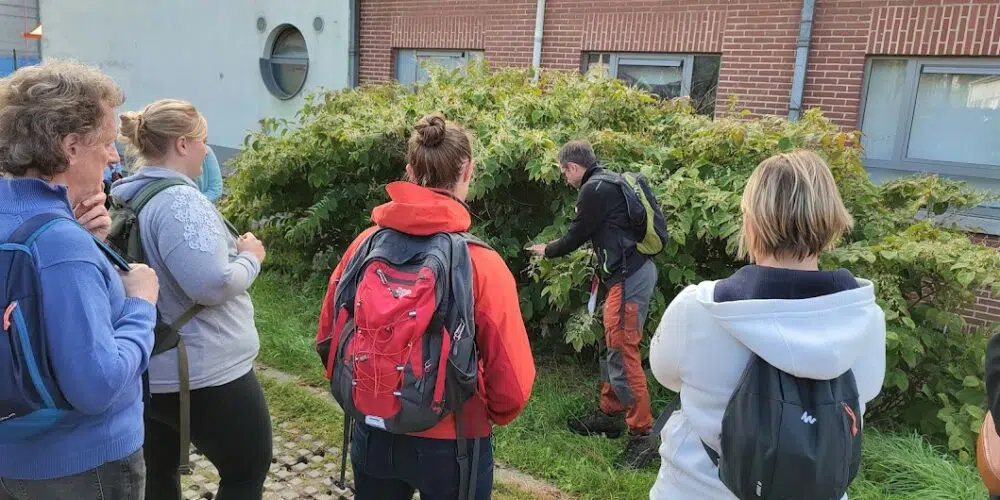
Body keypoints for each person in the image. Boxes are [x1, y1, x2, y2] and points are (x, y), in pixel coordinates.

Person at [316, 112, 535, 499]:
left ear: (409, 172)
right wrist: (483, 410)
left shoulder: (364, 246)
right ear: (467, 171)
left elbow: (328, 337)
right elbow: (512, 388)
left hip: (372, 430)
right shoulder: (481, 264)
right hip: (455, 443)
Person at [647, 150, 886, 499]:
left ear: (751, 222)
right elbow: (865, 393)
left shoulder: (697, 309)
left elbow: (665, 375)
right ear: (833, 220)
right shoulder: (867, 318)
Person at [0, 59, 159, 499]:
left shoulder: (31, 223)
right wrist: (141, 303)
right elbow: (96, 386)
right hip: (81, 465)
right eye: (106, 142)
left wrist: (86, 243)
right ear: (70, 146)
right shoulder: (61, 244)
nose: (114, 156)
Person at [110, 99, 272, 500]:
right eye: (203, 140)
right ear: (182, 144)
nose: (207, 150)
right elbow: (212, 285)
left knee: (158, 478)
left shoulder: (128, 194)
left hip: (151, 369)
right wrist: (251, 257)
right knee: (245, 472)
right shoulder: (181, 200)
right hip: (206, 371)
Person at [527, 139, 659, 468]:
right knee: (612, 343)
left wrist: (548, 250)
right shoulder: (607, 183)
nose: (565, 179)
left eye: (564, 172)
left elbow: (576, 235)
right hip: (627, 275)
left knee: (623, 350)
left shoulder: (593, 190)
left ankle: (643, 435)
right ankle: (610, 415)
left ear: (573, 167)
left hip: (630, 277)